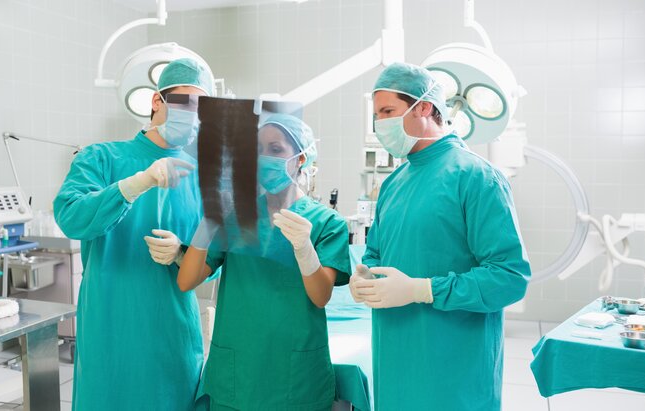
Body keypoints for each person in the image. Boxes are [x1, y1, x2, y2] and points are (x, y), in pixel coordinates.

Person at [349, 62, 531, 411]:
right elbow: (376, 253)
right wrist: (366, 276)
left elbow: (509, 278)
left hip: (452, 370)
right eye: (376, 115)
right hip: (394, 360)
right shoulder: (393, 184)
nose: (380, 124)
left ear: (423, 108)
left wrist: (423, 289)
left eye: (387, 112)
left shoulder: (477, 177)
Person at [54, 58, 213, 410]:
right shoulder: (102, 158)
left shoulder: (203, 176)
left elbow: (215, 260)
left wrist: (183, 253)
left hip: (172, 331)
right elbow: (71, 217)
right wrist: (135, 184)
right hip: (110, 328)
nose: (193, 117)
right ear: (157, 101)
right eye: (186, 103)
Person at [178, 114, 350, 411]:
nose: (263, 158)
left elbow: (320, 296)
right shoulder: (236, 217)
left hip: (295, 374)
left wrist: (304, 249)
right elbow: (186, 280)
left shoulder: (327, 222)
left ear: (301, 158)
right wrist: (207, 223)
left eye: (275, 149)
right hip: (238, 372)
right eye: (257, 149)